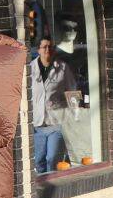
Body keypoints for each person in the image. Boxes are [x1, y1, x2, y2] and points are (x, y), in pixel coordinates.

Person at [30, 37, 77, 173]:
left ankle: (53, 185)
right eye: (44, 47)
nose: (47, 50)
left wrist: (73, 113)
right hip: (37, 124)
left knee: (52, 158)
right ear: (38, 50)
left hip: (56, 122)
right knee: (38, 160)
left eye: (50, 47)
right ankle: (42, 190)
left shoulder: (62, 68)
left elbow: (72, 90)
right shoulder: (30, 69)